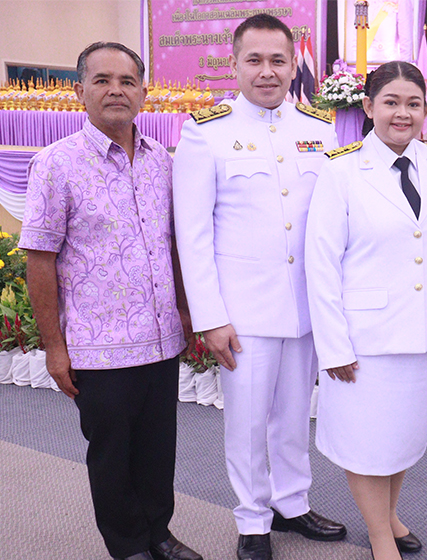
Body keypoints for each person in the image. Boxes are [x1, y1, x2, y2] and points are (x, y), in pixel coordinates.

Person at [20, 42, 202, 560]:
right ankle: (127, 546)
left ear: (144, 93)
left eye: (127, 81)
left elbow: (174, 245)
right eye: (102, 80)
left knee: (157, 450)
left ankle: (159, 533)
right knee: (112, 455)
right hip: (98, 349)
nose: (116, 90)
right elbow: (40, 259)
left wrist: (186, 312)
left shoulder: (163, 161)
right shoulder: (56, 164)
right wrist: (55, 348)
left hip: (160, 339)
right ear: (80, 91)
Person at [172, 14, 344, 560]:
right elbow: (193, 235)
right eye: (255, 60)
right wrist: (211, 316)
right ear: (235, 64)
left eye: (277, 60)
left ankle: (292, 503)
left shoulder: (320, 130)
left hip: (304, 307)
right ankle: (252, 519)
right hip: (242, 312)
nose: (267, 71)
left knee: (294, 414)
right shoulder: (206, 131)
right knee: (246, 423)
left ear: (294, 66)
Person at [304, 61, 427, 560]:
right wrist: (333, 345)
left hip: (425, 331)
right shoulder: (342, 170)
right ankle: (379, 536)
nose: (403, 113)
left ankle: (389, 516)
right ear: (368, 106)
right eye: (391, 102)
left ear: (426, 108)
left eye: (413, 104)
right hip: (364, 337)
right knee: (367, 442)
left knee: (402, 439)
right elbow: (321, 263)